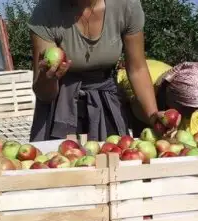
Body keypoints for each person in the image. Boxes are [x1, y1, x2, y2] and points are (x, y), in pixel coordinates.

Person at [27, 0, 164, 141]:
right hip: (60, 110)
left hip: (106, 104)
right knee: (62, 160)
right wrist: (49, 78)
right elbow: (44, 94)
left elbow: (137, 69)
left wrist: (153, 116)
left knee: (113, 158)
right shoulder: (45, 12)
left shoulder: (126, 5)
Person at [119, 60, 198, 135]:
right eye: (187, 109)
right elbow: (139, 112)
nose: (192, 112)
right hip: (123, 102)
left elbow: (190, 131)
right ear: (175, 100)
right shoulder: (139, 82)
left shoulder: (190, 101)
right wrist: (156, 120)